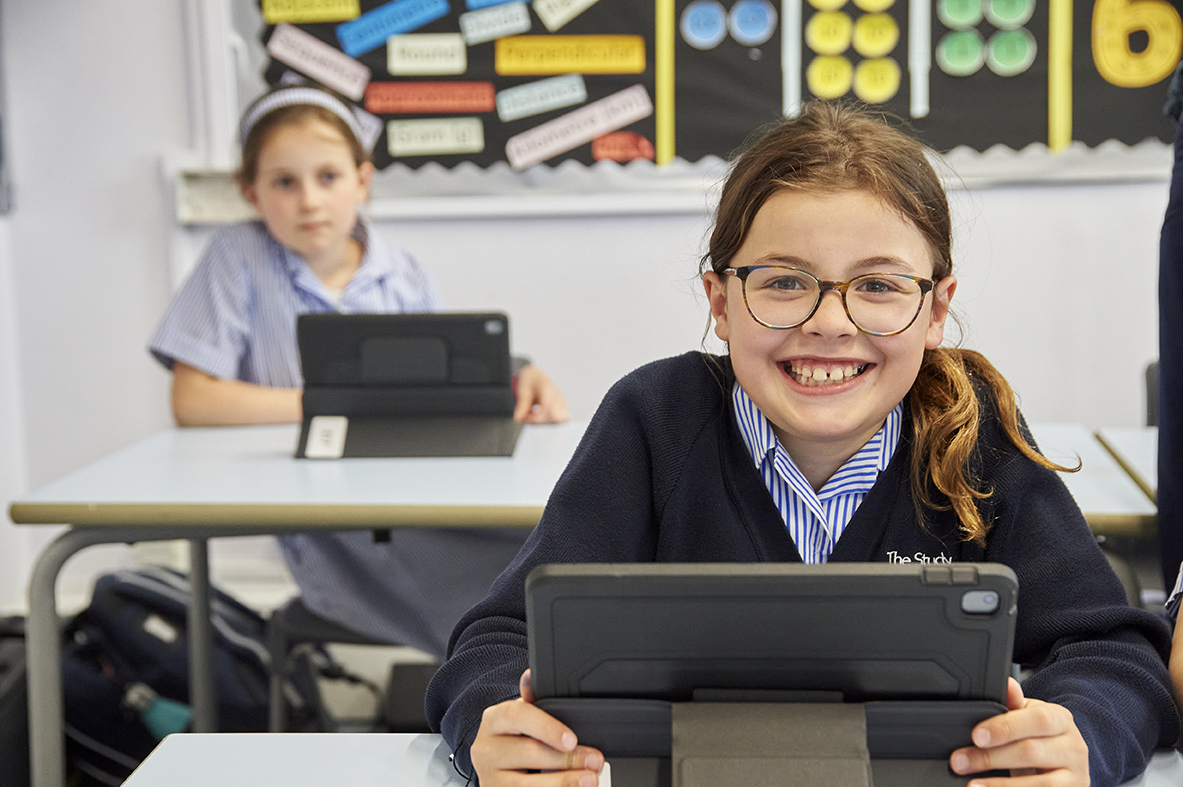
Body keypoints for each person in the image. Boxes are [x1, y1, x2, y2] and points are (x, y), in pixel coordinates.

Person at [424, 101, 1180, 787]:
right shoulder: (655, 418)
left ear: (935, 308)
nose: (830, 321)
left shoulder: (971, 436)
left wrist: (1079, 736)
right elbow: (499, 635)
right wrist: (490, 724)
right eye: (784, 282)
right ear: (720, 301)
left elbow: (1110, 653)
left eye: (878, 286)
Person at [149, 85, 568, 657]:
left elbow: (440, 388)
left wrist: (521, 372)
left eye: (328, 177)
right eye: (284, 182)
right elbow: (193, 400)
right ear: (250, 192)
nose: (309, 202)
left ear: (362, 181)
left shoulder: (401, 271)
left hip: (410, 488)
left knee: (547, 542)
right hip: (320, 515)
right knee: (494, 593)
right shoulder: (235, 259)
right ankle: (489, 667)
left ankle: (515, 667)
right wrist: (332, 402)